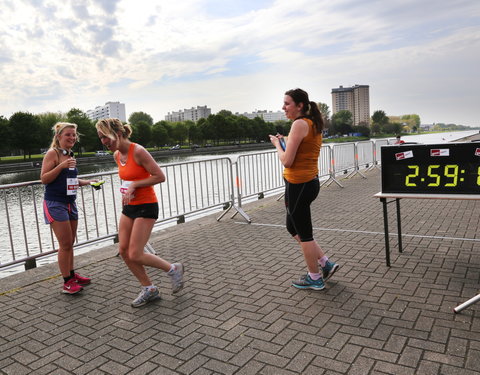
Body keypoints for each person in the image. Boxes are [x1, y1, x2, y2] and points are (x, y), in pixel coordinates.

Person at [95, 118, 184, 307]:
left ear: (118, 134)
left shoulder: (139, 151)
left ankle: (173, 269)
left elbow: (160, 176)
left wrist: (135, 185)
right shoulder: (117, 155)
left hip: (146, 205)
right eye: (101, 138)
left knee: (135, 253)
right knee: (124, 251)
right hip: (129, 207)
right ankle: (149, 288)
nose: (103, 142)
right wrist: (127, 190)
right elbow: (128, 178)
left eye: (105, 137)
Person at [269, 88, 339, 290]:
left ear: (299, 106)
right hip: (307, 183)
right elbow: (301, 150)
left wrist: (277, 145)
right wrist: (285, 142)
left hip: (299, 184)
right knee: (293, 228)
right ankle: (326, 263)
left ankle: (314, 277)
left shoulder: (299, 124)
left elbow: (287, 161)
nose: (283, 107)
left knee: (305, 233)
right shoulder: (310, 122)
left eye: (287, 103)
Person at [41, 122, 97, 294]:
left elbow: (71, 180)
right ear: (58, 137)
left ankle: (72, 275)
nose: (72, 137)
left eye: (74, 135)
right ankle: (67, 283)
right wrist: (61, 166)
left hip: (70, 203)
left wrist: (88, 182)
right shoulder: (53, 154)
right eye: (68, 135)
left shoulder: (70, 155)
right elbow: (44, 178)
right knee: (65, 244)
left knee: (70, 243)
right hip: (55, 203)